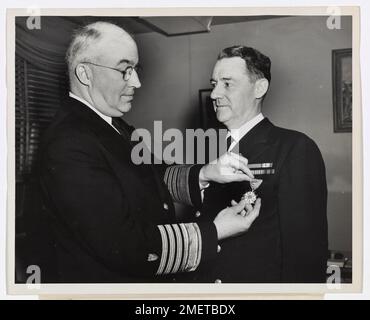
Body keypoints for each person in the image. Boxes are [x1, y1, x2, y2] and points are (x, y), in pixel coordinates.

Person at [38, 22, 261, 283]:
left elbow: (153, 176)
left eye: (136, 69)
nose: (137, 81)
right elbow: (126, 246)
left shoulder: (112, 124)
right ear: (85, 74)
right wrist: (215, 230)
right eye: (125, 70)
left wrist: (205, 173)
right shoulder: (68, 143)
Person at [191, 45, 328, 283]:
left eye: (227, 83)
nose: (214, 94)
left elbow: (305, 256)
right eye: (214, 84)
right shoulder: (210, 152)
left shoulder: (294, 148)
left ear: (259, 88)